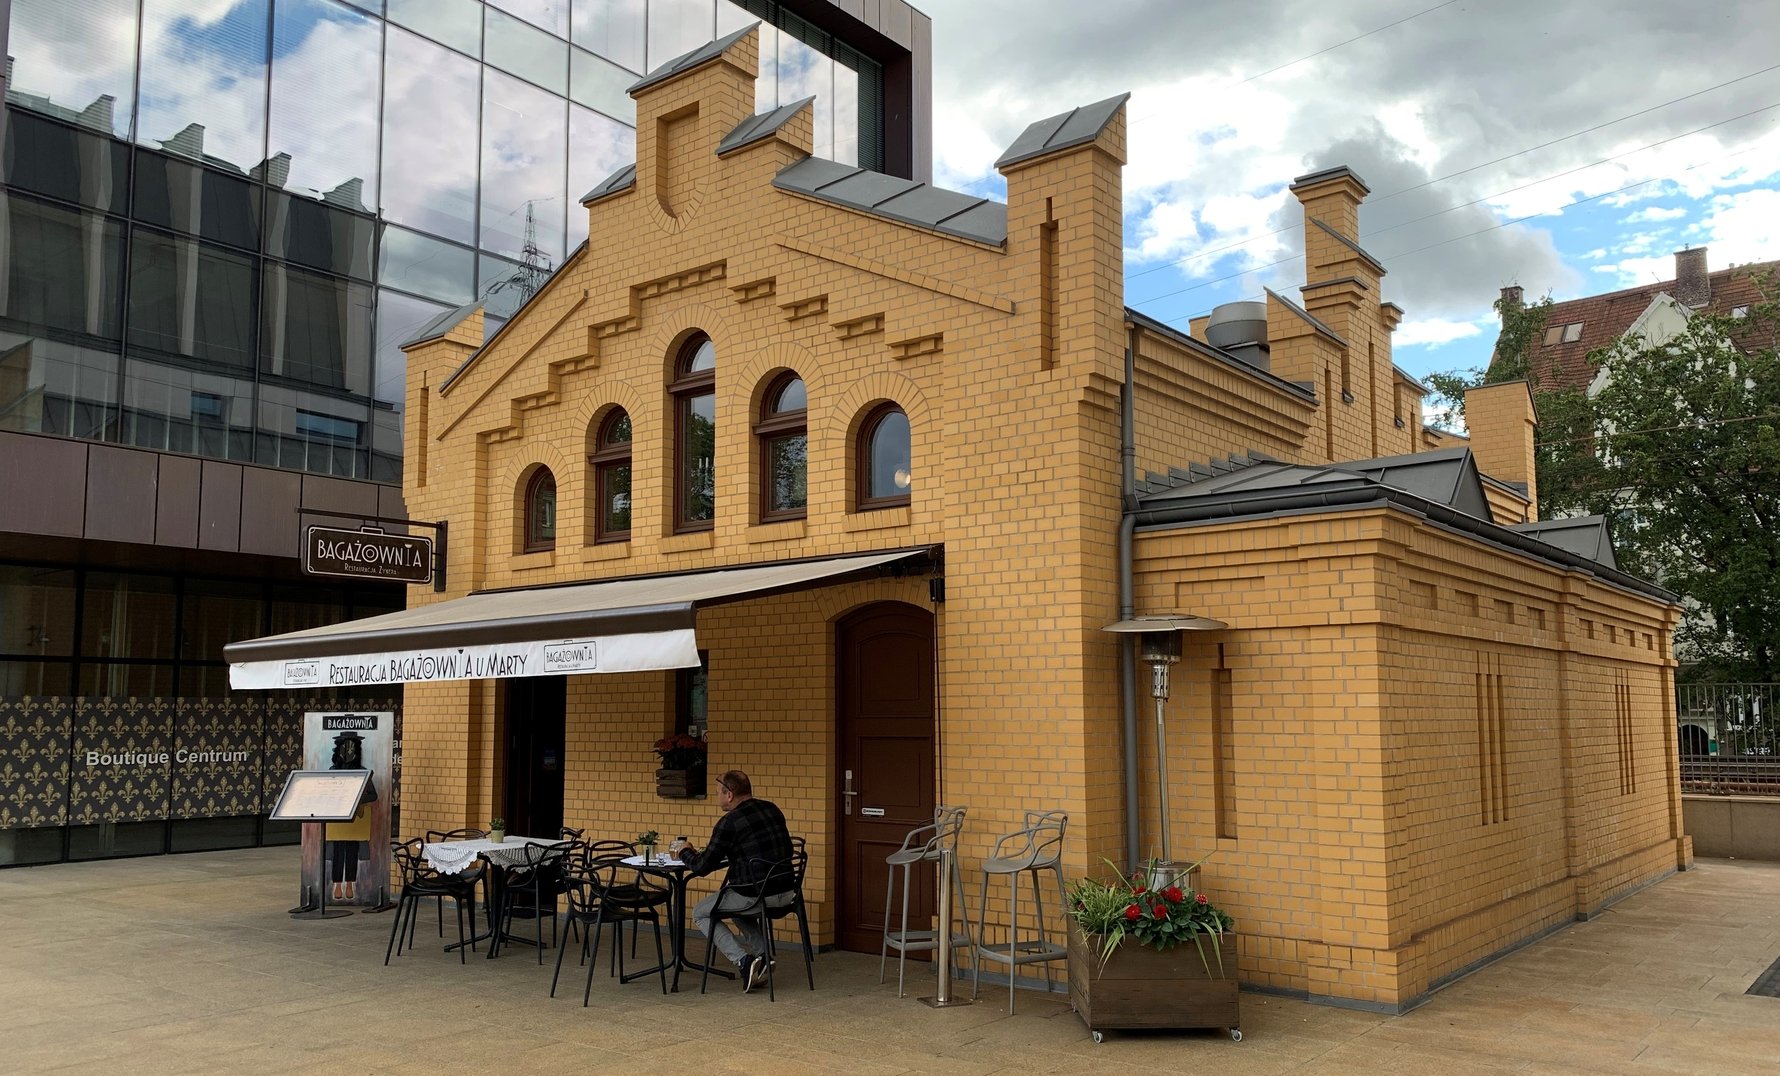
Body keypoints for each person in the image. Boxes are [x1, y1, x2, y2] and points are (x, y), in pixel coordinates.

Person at [678, 769, 794, 993]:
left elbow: (702, 867)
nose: (717, 798)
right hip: (788, 891)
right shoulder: (772, 809)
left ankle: (743, 961)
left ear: (729, 794)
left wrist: (685, 852)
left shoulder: (729, 822)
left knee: (701, 912)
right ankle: (763, 956)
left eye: (718, 793)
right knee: (734, 905)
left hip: (757, 895)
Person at [324, 730, 377, 902]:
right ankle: (338, 885)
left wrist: (358, 798)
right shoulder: (333, 770)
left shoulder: (362, 772)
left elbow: (373, 795)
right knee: (338, 851)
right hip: (338, 816)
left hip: (355, 818)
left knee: (352, 851)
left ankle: (349, 884)